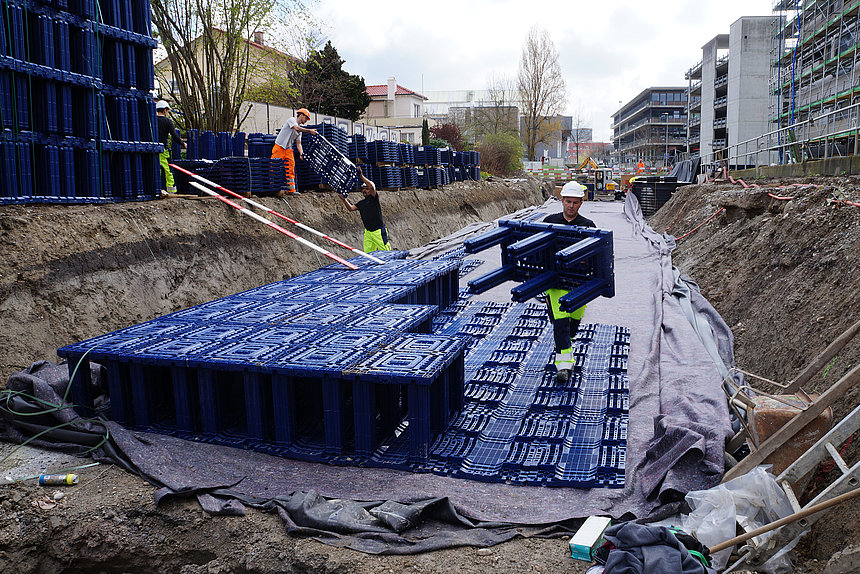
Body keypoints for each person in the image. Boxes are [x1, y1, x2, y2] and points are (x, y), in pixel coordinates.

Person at [542, 181, 596, 384]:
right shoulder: (549, 221)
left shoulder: (588, 226)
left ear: (581, 203)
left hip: (578, 284)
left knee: (572, 326)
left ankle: (565, 346)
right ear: (561, 200)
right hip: (555, 283)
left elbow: (594, 257)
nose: (571, 206)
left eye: (575, 202)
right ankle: (564, 365)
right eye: (567, 201)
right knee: (561, 324)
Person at [340, 168, 392, 252]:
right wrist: (343, 199)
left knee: (386, 252)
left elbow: (371, 187)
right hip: (368, 233)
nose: (364, 190)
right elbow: (351, 208)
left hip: (378, 232)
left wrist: (361, 176)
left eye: (366, 188)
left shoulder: (374, 198)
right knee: (368, 254)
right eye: (363, 189)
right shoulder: (361, 203)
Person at [271, 108, 318, 193]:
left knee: (290, 168)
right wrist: (310, 131)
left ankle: (291, 189)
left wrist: (301, 153)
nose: (306, 120)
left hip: (288, 149)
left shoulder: (300, 131)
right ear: (301, 115)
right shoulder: (292, 120)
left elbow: (298, 143)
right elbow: (296, 128)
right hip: (279, 147)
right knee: (275, 167)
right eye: (306, 118)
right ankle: (273, 188)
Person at [156, 100, 185, 194]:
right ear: (164, 110)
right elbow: (174, 136)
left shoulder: (152, 120)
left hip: (153, 149)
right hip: (163, 150)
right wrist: (183, 144)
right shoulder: (168, 122)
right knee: (168, 170)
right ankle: (171, 191)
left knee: (156, 170)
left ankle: (157, 189)